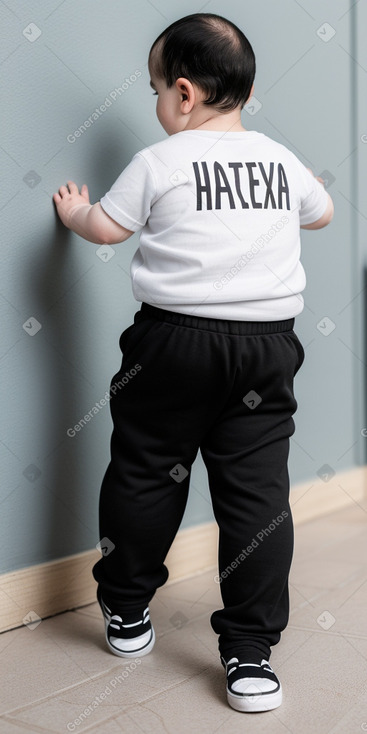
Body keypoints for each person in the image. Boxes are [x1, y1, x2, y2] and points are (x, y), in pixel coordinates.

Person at [53, 12, 334, 714]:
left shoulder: (158, 161)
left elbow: (110, 229)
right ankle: (250, 658)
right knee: (256, 498)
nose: (156, 105)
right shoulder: (275, 156)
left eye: (154, 89)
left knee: (146, 471)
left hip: (172, 343)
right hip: (266, 348)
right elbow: (321, 212)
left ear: (183, 94)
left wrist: (74, 214)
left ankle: (125, 611)